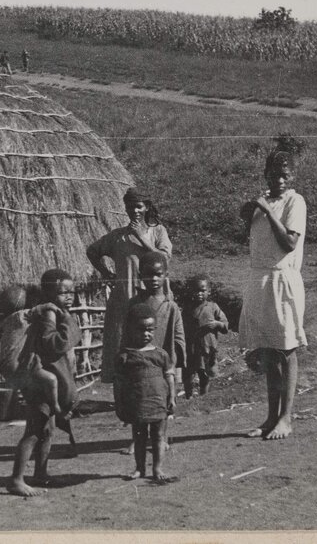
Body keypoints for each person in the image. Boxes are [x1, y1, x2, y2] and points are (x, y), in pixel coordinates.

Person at [239, 148, 307, 440]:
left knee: (286, 349)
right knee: (268, 350)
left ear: (291, 177)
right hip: (260, 279)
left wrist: (266, 210)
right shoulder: (260, 203)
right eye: (274, 174)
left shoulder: (295, 202)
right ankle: (270, 417)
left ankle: (286, 418)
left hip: (283, 279)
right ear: (265, 174)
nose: (279, 179)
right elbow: (251, 237)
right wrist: (251, 210)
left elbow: (288, 243)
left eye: (284, 175)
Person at [7, 269, 82, 497]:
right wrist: (67, 321)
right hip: (40, 382)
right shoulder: (50, 314)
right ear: (49, 293)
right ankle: (16, 479)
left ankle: (40, 473)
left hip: (50, 380)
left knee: (47, 431)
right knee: (34, 431)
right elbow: (54, 344)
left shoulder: (56, 312)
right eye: (62, 292)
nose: (69, 296)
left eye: (72, 291)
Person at [87, 188, 174, 383]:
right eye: (130, 207)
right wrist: (106, 273)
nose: (134, 211)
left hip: (153, 297)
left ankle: (157, 384)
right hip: (125, 298)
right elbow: (92, 251)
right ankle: (124, 388)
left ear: (146, 208)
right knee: (122, 342)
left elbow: (164, 259)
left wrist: (140, 237)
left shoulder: (158, 232)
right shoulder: (118, 236)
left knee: (155, 338)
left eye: (138, 206)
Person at [113, 302, 177, 483]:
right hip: (137, 404)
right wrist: (119, 404)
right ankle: (140, 468)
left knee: (158, 437)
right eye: (140, 330)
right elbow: (119, 383)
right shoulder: (125, 356)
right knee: (139, 438)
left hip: (159, 403)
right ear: (130, 329)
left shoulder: (161, 354)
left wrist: (172, 397)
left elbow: (169, 377)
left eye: (150, 330)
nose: (146, 334)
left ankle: (157, 468)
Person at [0, 286, 62, 418]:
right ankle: (56, 407)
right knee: (52, 380)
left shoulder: (6, 322)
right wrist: (52, 306)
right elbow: (41, 309)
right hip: (18, 365)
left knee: (32, 390)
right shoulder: (21, 317)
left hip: (6, 365)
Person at [180, 274, 229, 398]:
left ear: (209, 291)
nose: (199, 294)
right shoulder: (187, 308)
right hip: (191, 348)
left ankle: (203, 397)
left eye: (202, 290)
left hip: (207, 349)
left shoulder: (213, 307)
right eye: (195, 291)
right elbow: (181, 326)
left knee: (204, 374)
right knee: (189, 374)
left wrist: (217, 324)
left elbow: (225, 325)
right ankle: (188, 396)